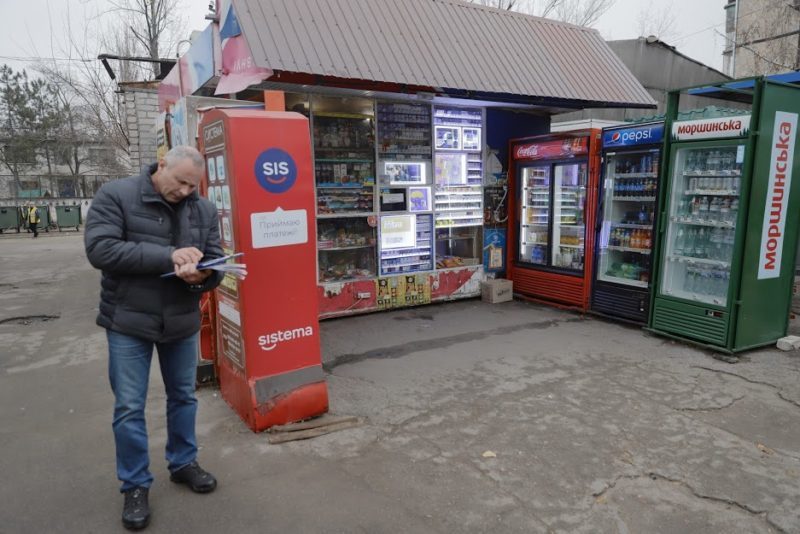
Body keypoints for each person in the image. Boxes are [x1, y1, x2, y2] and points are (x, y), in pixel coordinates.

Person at [84, 146, 223, 531]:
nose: (185, 192)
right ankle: (134, 485)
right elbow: (101, 249)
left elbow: (215, 259)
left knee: (183, 396)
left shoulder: (203, 209)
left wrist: (204, 277)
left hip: (180, 319)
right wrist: (170, 256)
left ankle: (183, 463)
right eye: (180, 182)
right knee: (129, 406)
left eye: (192, 186)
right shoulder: (116, 194)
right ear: (161, 165)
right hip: (128, 320)